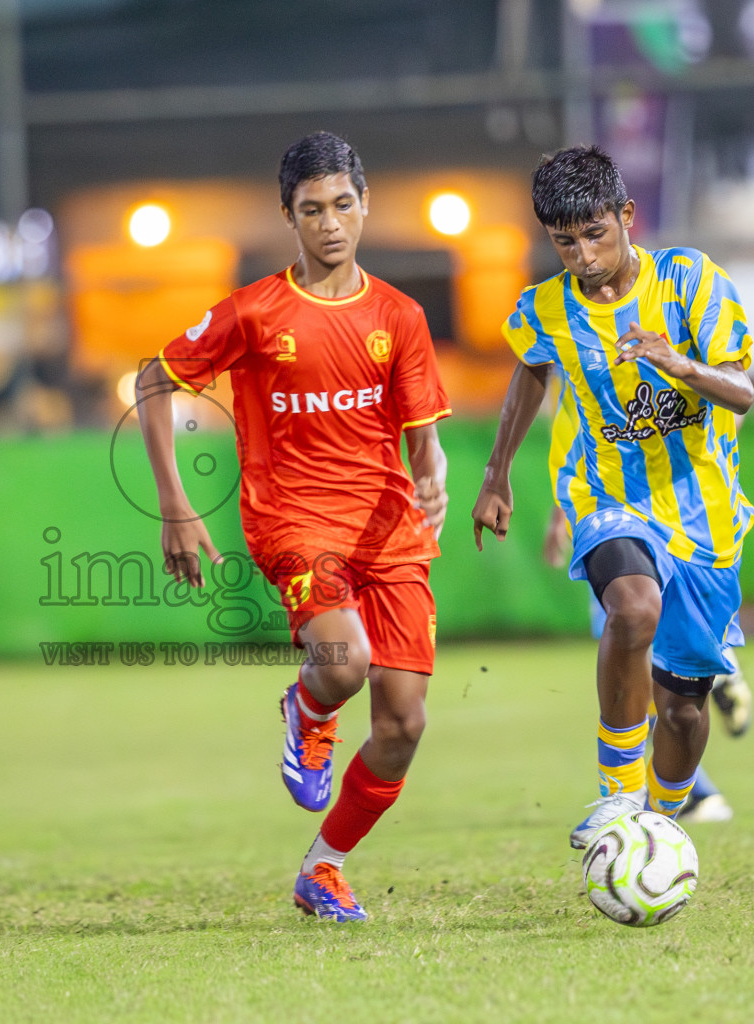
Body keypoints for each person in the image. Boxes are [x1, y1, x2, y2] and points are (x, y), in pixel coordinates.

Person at [135, 132, 451, 921]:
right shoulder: (253, 311)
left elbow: (423, 435)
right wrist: (176, 504)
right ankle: (308, 709)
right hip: (293, 519)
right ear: (288, 216)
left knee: (404, 723)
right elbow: (153, 378)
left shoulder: (400, 316)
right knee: (344, 664)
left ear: (365, 205)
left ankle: (325, 867)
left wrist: (434, 477)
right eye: (312, 210)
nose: (331, 223)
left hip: (389, 530)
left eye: (343, 205)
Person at [472, 145, 754, 850]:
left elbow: (742, 392)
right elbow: (530, 373)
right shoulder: (545, 308)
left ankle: (657, 830)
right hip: (606, 495)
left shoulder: (690, 281)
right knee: (631, 610)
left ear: (627, 217)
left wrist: (676, 361)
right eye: (564, 242)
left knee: (684, 711)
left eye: (595, 234)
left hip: (703, 512)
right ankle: (617, 796)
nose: (582, 255)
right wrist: (497, 473)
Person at [542, 501, 752, 825]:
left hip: (657, 517)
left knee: (650, 665)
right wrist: (560, 512)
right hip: (599, 515)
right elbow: (572, 449)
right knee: (630, 640)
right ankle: (651, 796)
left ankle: (693, 794)